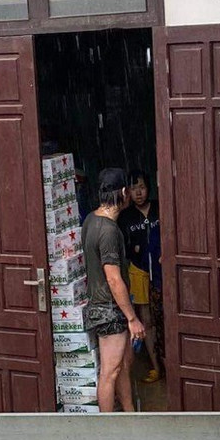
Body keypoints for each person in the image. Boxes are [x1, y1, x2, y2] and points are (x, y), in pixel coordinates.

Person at [82, 167, 146, 413]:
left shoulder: (90, 219)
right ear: (123, 192)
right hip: (109, 309)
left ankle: (129, 414)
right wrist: (132, 318)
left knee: (120, 367)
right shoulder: (108, 230)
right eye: (128, 189)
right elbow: (113, 278)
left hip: (103, 306)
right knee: (109, 372)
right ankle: (107, 433)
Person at [119, 170, 162, 382]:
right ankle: (156, 367)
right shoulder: (126, 216)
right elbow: (122, 247)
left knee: (165, 318)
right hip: (139, 271)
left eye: (142, 187)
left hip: (163, 272)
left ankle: (171, 364)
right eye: (134, 189)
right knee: (146, 320)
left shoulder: (159, 208)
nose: (139, 193)